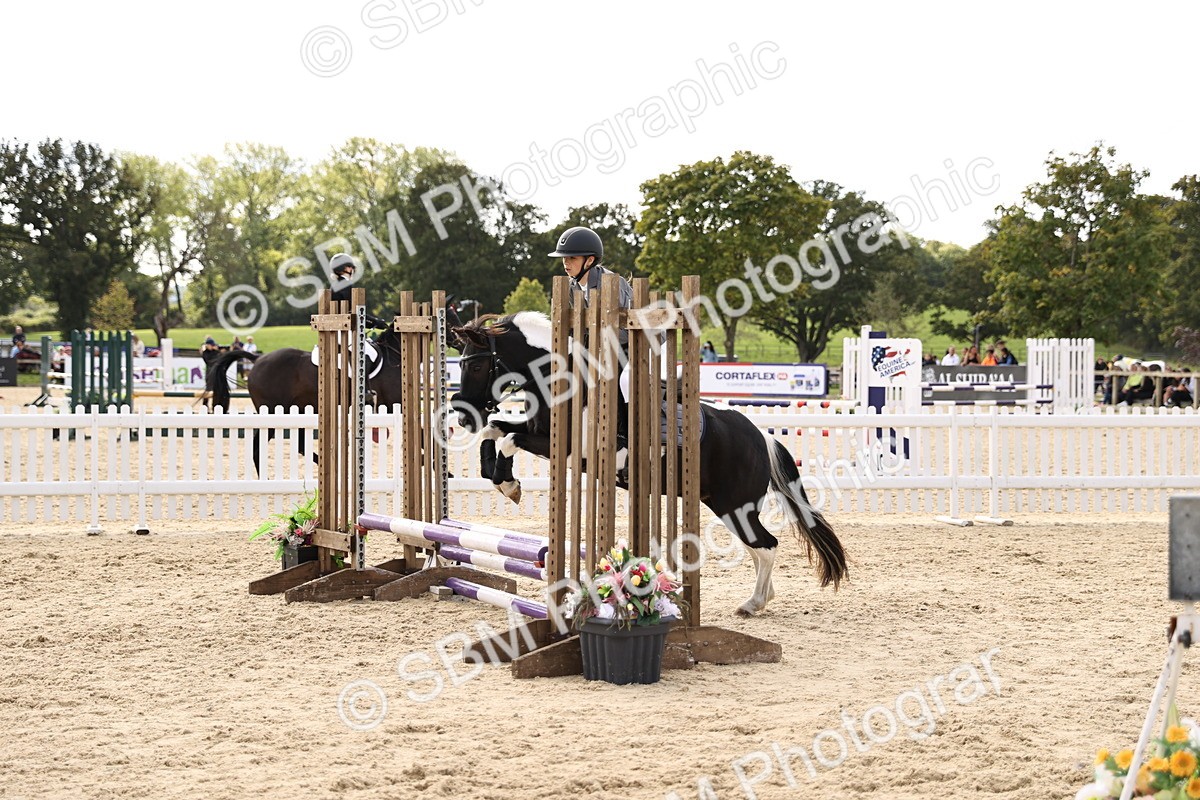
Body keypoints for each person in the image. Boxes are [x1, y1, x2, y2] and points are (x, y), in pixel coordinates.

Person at [329, 253, 389, 329]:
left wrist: (373, 324)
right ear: (345, 268)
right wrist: (375, 322)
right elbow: (355, 312)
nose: (353, 270)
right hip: (345, 330)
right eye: (351, 267)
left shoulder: (334, 285)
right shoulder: (345, 285)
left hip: (335, 327)